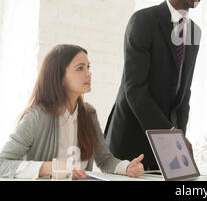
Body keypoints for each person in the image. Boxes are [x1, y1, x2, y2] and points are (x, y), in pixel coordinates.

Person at [105, 0, 205, 170]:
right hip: (131, 136)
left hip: (168, 142)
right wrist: (170, 135)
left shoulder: (194, 31)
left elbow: (184, 92)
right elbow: (135, 89)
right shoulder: (143, 21)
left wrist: (179, 137)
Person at [0, 44, 144, 179]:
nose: (88, 73)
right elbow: (2, 164)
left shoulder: (89, 113)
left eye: (88, 67)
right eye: (80, 68)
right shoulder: (37, 116)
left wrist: (126, 167)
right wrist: (50, 168)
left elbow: (105, 160)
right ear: (60, 77)